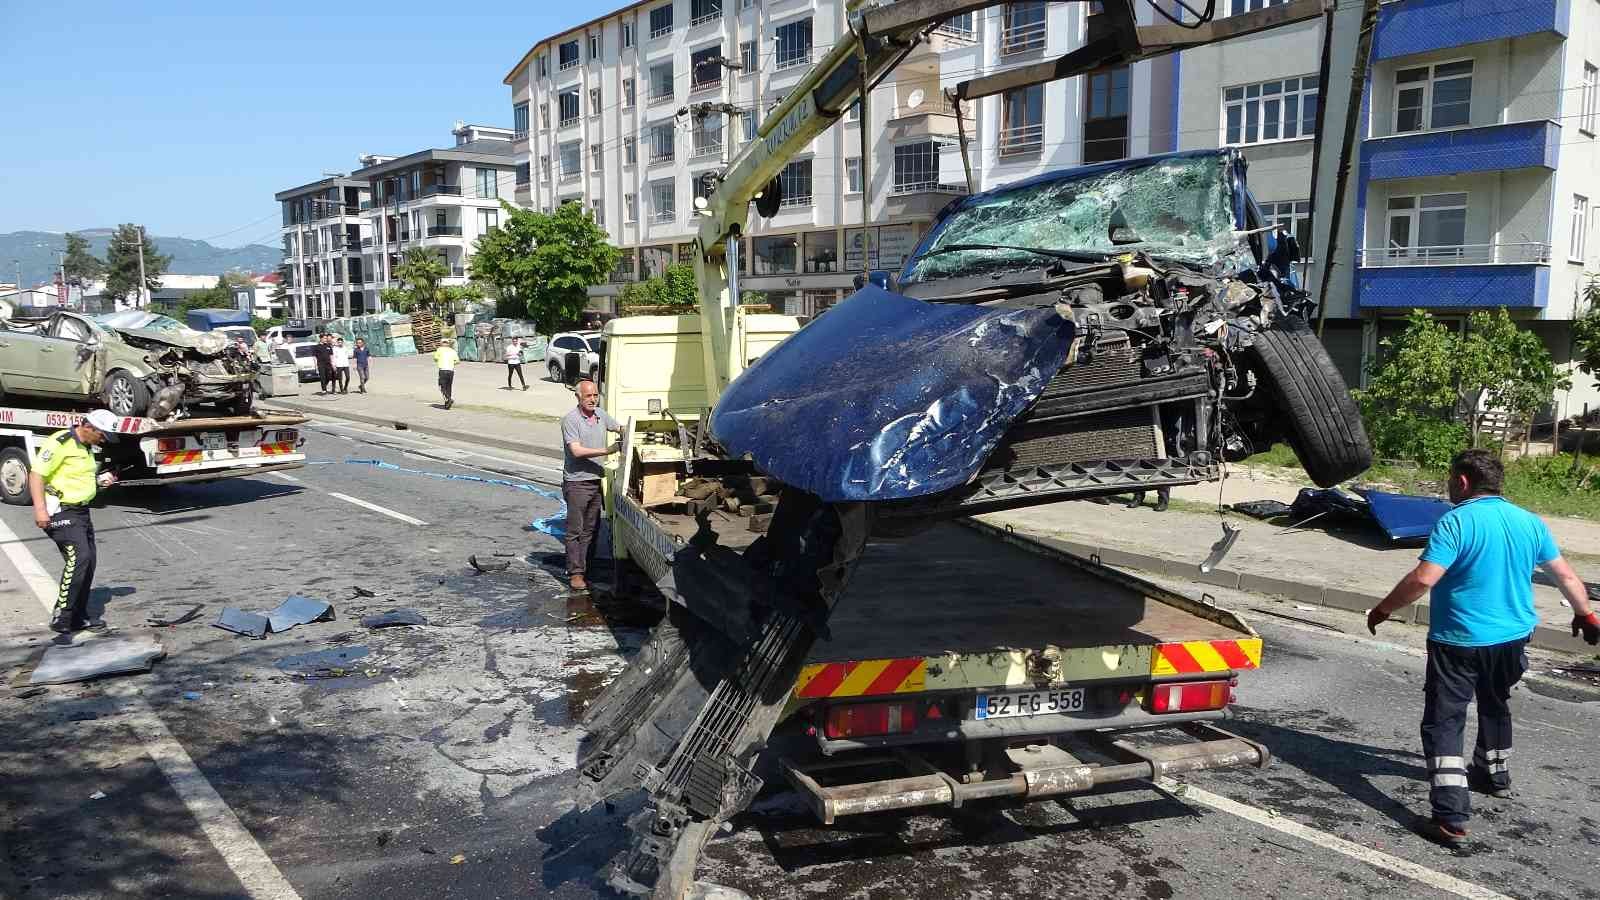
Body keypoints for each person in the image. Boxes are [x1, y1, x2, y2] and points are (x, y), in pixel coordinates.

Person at [1368, 449, 1599, 845]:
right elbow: (1564, 574)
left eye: (1449, 480)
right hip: (1511, 638)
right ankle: (1493, 776)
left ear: (1462, 482)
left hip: (1458, 640)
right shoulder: (1529, 521)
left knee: (1444, 721)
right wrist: (1586, 614)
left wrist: (1384, 608)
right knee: (1495, 703)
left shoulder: (1455, 521)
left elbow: (1424, 578)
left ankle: (1451, 817)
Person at [30, 410, 120, 638]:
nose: (103, 441)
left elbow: (77, 477)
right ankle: (63, 614)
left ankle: (78, 616)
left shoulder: (87, 447)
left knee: (89, 562)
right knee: (79, 557)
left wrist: (99, 482)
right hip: (60, 509)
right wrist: (40, 509)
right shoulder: (61, 442)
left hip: (81, 510)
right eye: (102, 435)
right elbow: (37, 474)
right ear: (89, 427)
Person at [560, 379, 620, 591]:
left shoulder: (600, 415)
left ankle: (586, 569)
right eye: (588, 396)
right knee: (575, 530)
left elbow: (620, 427)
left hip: (595, 481)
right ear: (578, 397)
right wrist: (607, 451)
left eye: (595, 395)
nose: (593, 399)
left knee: (591, 529)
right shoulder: (570, 420)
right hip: (576, 483)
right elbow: (576, 451)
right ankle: (575, 574)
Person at [433, 341, 460, 409]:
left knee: (442, 387)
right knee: (448, 387)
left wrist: (440, 358)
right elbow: (457, 361)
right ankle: (447, 404)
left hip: (443, 370)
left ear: (442, 344)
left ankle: (448, 399)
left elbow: (435, 359)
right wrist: (451, 363)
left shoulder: (439, 350)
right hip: (451, 371)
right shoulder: (453, 351)